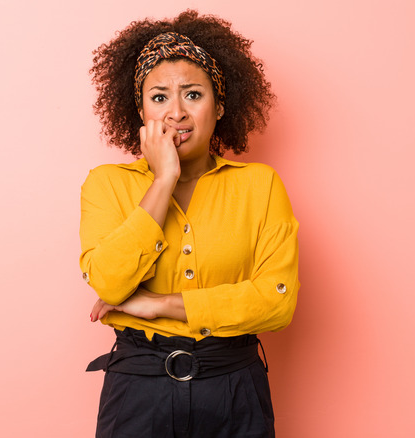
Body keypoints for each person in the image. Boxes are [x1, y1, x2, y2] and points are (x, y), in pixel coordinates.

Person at [80, 9, 299, 438]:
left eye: (193, 95)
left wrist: (157, 304)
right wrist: (164, 179)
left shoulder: (261, 185)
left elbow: (276, 303)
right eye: (159, 97)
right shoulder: (105, 184)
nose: (175, 112)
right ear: (140, 111)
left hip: (234, 388)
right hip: (137, 391)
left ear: (219, 107)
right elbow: (108, 282)